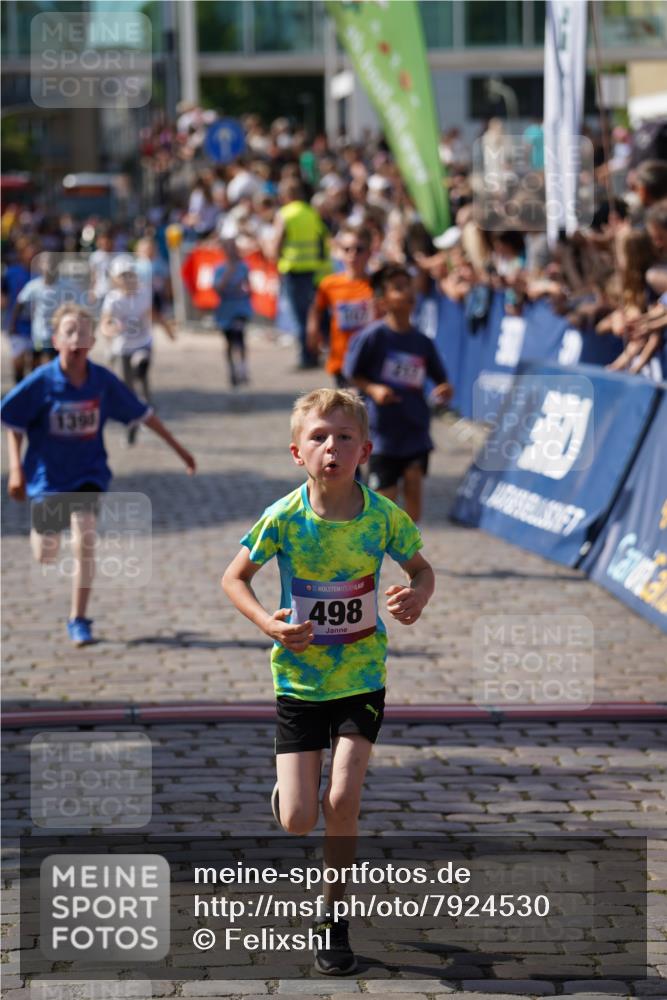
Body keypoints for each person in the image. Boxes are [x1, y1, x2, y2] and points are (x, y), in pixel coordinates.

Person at [222, 387, 435, 975]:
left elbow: (421, 569)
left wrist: (416, 596)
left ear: (365, 449)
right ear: (298, 452)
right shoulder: (284, 517)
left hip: (362, 676)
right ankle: (287, 796)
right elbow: (234, 578)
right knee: (299, 819)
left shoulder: (383, 516)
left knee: (342, 799)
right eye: (318, 437)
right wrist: (269, 623)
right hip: (299, 682)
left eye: (344, 437)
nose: (331, 448)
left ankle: (333, 918)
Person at [1, 303, 196, 646]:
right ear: (55, 340)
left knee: (85, 540)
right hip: (49, 480)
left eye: (83, 333)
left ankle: (78, 618)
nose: (76, 339)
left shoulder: (102, 381)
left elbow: (143, 415)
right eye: (69, 332)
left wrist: (180, 450)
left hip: (88, 473)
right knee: (46, 552)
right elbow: (13, 422)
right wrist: (16, 470)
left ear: (92, 341)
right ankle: (42, 531)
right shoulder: (42, 382)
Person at [343, 264, 452, 524]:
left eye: (409, 287)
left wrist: (444, 389)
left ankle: (409, 541)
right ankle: (381, 542)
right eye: (399, 288)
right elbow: (352, 373)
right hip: (382, 431)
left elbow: (441, 379)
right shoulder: (373, 337)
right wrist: (374, 389)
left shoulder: (422, 341)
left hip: (415, 427)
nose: (408, 293)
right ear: (383, 301)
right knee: (385, 499)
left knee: (414, 483)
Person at [272, 178, 330, 369]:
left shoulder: (285, 214)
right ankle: (319, 352)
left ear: (286, 195)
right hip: (312, 270)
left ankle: (307, 357)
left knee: (300, 316)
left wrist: (274, 258)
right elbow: (322, 240)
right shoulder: (311, 212)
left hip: (293, 269)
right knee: (313, 314)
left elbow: (277, 243)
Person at [306, 227, 374, 387]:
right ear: (340, 252)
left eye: (359, 249)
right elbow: (316, 308)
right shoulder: (329, 284)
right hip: (342, 360)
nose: (352, 255)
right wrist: (313, 330)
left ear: (369, 252)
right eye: (347, 249)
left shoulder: (378, 284)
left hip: (372, 360)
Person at [99, 254, 156, 444]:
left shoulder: (144, 293)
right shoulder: (113, 300)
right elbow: (105, 323)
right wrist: (111, 330)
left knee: (141, 368)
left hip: (142, 343)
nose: (128, 279)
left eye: (130, 275)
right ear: (116, 279)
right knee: (126, 389)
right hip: (122, 347)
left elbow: (152, 313)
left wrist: (168, 329)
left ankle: (147, 411)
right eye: (123, 276)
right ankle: (131, 425)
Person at [213, 237, 252, 387]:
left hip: (240, 306)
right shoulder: (219, 269)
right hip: (225, 309)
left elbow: (249, 286)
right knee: (229, 341)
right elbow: (217, 289)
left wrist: (244, 290)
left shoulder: (243, 267)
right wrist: (228, 273)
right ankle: (232, 371)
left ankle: (243, 369)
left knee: (239, 336)